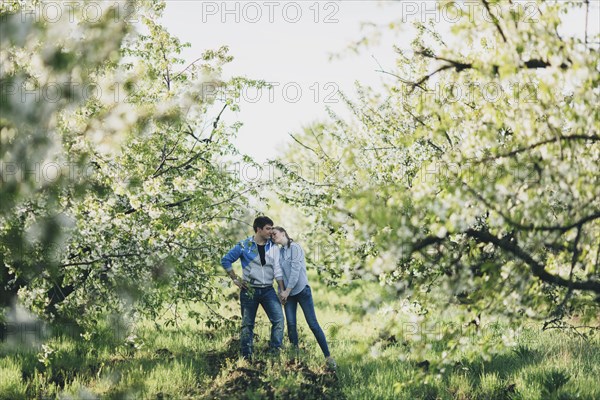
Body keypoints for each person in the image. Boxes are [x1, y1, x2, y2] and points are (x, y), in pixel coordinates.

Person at [271, 226, 336, 369]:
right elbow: (279, 273)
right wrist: (281, 292)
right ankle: (296, 359)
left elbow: (295, 272)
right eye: (271, 235)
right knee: (291, 325)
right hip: (288, 294)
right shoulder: (280, 252)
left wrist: (287, 291)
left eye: (274, 233)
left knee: (312, 324)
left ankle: (328, 357)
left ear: (283, 233)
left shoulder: (295, 248)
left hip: (301, 291)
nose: (273, 236)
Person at [221, 216, 284, 359]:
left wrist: (281, 290)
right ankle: (246, 356)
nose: (271, 231)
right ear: (258, 229)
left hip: (268, 290)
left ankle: (274, 353)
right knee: (247, 325)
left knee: (279, 320)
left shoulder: (273, 247)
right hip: (249, 290)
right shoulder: (244, 246)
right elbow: (225, 260)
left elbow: (278, 269)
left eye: (272, 228)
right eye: (268, 228)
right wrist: (235, 278)